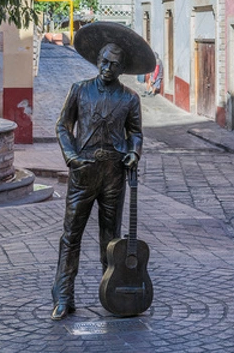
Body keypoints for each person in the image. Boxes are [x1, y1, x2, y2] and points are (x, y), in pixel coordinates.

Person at [51, 22, 155, 321]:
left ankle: (112, 294)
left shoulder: (129, 98)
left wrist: (134, 152)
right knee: (71, 236)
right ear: (97, 61)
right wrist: (71, 156)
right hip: (83, 171)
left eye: (114, 64)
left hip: (113, 174)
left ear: (122, 68)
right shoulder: (79, 90)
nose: (107, 68)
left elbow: (135, 132)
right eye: (104, 62)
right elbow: (62, 126)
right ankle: (63, 295)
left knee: (111, 241)